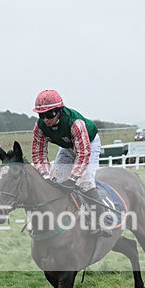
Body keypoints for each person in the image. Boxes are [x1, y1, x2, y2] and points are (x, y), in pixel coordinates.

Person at [30, 89, 110, 235]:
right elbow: (38, 154)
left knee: (85, 183)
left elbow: (83, 154)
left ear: (59, 111)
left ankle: (101, 221)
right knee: (54, 181)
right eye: (41, 115)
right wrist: (46, 176)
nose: (46, 119)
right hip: (67, 147)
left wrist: (73, 179)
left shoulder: (75, 123)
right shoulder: (40, 127)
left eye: (49, 114)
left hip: (89, 144)